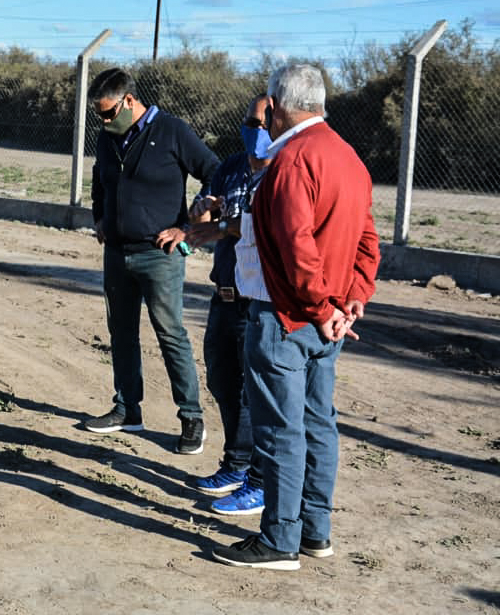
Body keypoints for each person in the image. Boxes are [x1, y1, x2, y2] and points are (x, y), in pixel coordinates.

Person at [212, 64, 380, 570]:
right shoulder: (349, 157)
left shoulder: (292, 161)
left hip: (287, 316)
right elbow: (367, 240)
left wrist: (323, 307)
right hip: (326, 322)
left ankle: (280, 540)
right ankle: (314, 531)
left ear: (279, 105)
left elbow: (296, 248)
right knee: (318, 424)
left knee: (282, 429)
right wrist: (352, 298)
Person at [84, 67, 219, 455]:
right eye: (99, 115)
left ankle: (191, 417)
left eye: (109, 113)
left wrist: (186, 230)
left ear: (129, 101)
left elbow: (213, 174)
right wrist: (100, 217)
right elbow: (99, 180)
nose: (105, 121)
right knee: (121, 332)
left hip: (159, 256)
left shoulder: (173, 132)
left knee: (170, 333)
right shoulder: (108, 137)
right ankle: (127, 409)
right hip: (117, 253)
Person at [184, 95, 272, 516]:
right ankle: (235, 465)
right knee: (222, 380)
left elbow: (263, 230)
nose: (253, 129)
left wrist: (224, 226)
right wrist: (203, 214)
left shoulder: (283, 172)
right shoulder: (231, 168)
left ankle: (259, 479)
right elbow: (200, 225)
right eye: (248, 121)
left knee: (257, 392)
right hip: (223, 294)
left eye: (261, 122)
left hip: (258, 301)